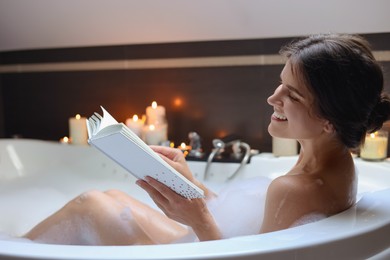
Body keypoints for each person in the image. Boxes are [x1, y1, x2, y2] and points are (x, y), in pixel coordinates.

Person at [23, 34, 390, 245]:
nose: (272, 99)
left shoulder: (296, 188)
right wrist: (194, 186)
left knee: (91, 204)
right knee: (114, 198)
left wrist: (198, 217)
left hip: (208, 250)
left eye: (292, 96)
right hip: (216, 241)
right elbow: (253, 234)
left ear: (327, 120)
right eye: (281, 83)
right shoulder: (332, 159)